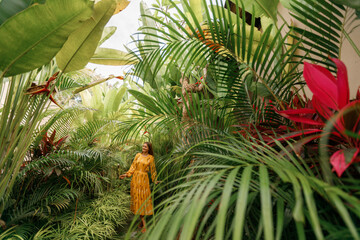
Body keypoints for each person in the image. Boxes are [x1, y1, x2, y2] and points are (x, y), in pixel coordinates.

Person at [119, 142, 159, 233]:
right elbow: (133, 167)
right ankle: (142, 223)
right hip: (135, 180)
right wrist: (126, 175)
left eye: (145, 146)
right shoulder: (138, 155)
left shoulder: (151, 158)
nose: (143, 147)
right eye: (143, 146)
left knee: (143, 200)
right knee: (138, 200)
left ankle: (143, 224)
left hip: (144, 181)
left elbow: (153, 171)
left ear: (149, 148)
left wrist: (155, 180)